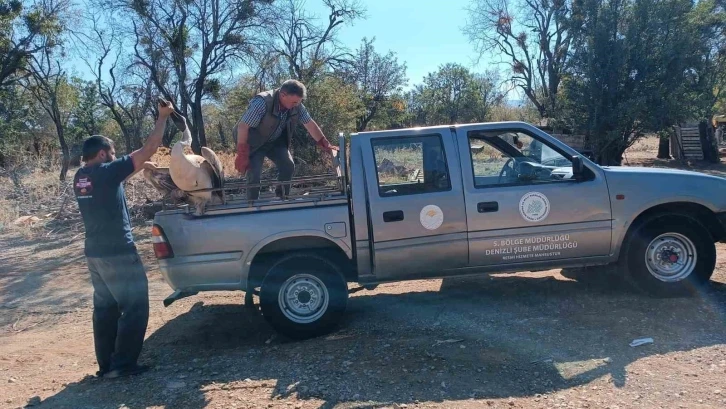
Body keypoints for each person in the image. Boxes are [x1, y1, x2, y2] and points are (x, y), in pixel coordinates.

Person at [73, 99, 174, 379]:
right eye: (113, 153)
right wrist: (162, 116)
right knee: (135, 306)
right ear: (104, 154)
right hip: (118, 252)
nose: (114, 157)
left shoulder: (82, 177)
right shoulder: (106, 172)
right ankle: (124, 364)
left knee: (105, 309)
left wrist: (137, 167)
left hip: (95, 254)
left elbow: (114, 180)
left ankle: (106, 365)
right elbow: (150, 148)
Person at [234, 79, 338, 200]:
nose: (296, 105)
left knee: (288, 165)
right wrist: (242, 153)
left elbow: (309, 123)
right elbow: (243, 126)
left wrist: (324, 142)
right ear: (282, 95)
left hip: (274, 141)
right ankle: (252, 206)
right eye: (294, 102)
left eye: (299, 102)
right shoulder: (262, 102)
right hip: (253, 142)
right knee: (254, 173)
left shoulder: (297, 105)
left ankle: (282, 198)